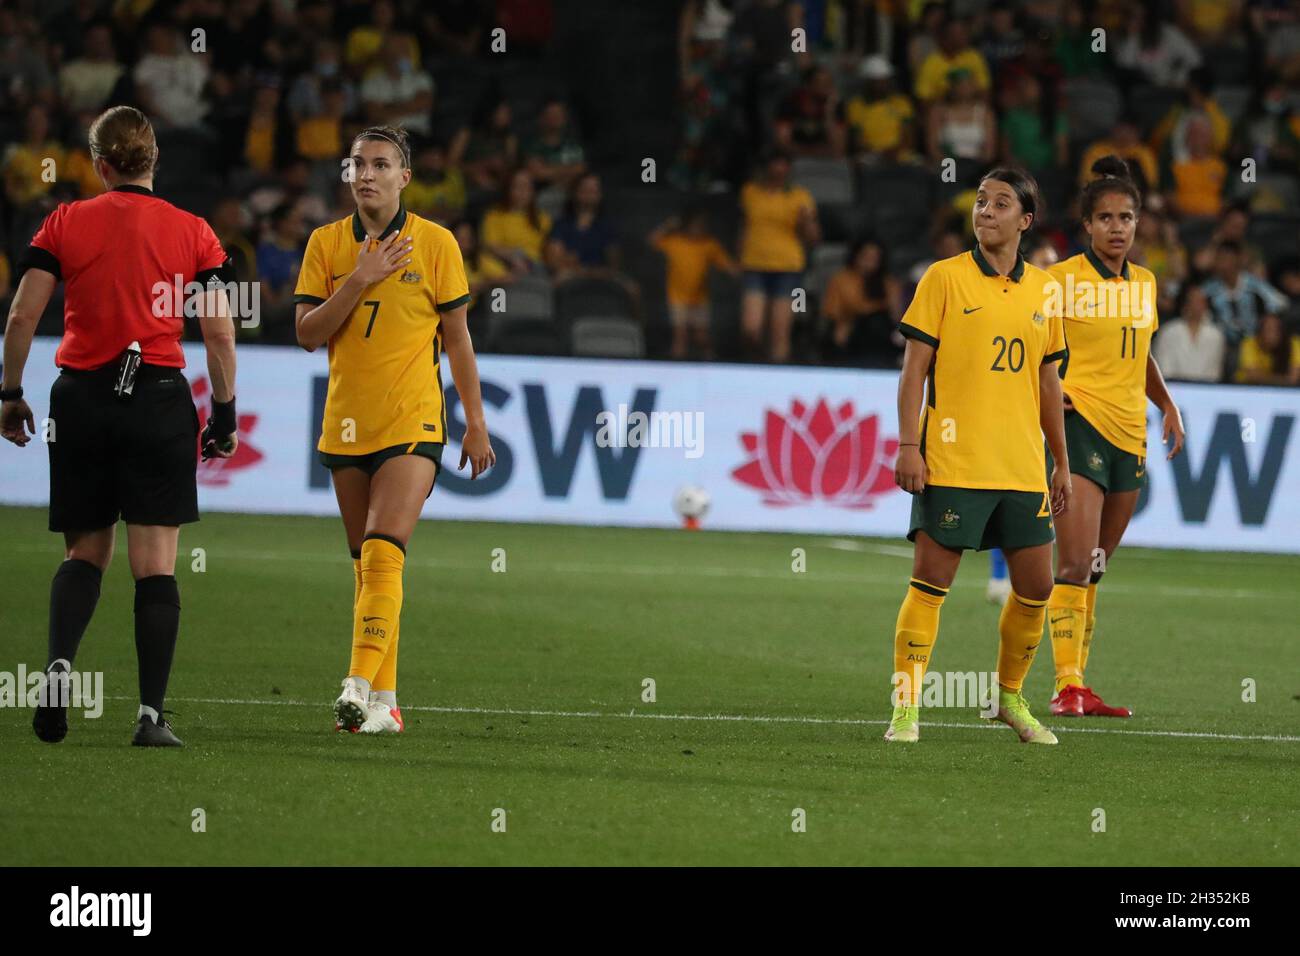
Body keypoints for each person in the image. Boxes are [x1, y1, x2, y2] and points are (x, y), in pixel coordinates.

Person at [0, 106, 238, 747]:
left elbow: (22, 317)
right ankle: (151, 717)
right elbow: (218, 331)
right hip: (159, 399)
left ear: (100, 165)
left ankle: (56, 674)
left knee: (85, 554)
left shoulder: (64, 221)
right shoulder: (195, 233)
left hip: (79, 399)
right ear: (154, 160)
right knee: (154, 566)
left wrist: (11, 393)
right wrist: (223, 414)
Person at [293, 126, 495, 734]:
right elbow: (306, 334)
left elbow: (457, 339)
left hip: (413, 419)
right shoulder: (326, 245)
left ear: (404, 178)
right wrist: (360, 277)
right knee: (367, 566)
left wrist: (475, 424)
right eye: (357, 164)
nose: (366, 174)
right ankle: (386, 705)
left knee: (384, 550)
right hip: (346, 425)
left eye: (381, 164)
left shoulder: (436, 244)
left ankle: (355, 683)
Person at [887, 167, 1070, 745]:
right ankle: (906, 708)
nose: (985, 212)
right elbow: (914, 369)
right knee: (931, 583)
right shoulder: (943, 279)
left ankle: (1009, 699)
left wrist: (1060, 462)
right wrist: (909, 446)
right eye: (981, 203)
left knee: (1037, 588)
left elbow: (1048, 386)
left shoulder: (1045, 291)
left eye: (999, 204)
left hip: (1021, 464)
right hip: (954, 458)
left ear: (1026, 220)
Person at [1044, 157, 1186, 719]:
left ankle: (1080, 682)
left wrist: (1167, 403)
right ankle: (1066, 684)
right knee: (1075, 561)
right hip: (1080, 429)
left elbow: (1140, 353)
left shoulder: (1145, 284)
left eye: (1126, 217)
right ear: (1086, 226)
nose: (1117, 227)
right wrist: (1052, 394)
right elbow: (1034, 349)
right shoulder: (1059, 283)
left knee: (1097, 565)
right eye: (1105, 218)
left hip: (1131, 434)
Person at [738, 149, 819, 362]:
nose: (779, 169)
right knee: (750, 328)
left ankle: (775, 374)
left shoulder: (800, 196)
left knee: (779, 331)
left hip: (788, 268)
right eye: (775, 163)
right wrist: (739, 257)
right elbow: (744, 227)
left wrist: (805, 222)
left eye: (784, 164)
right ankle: (754, 365)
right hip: (754, 265)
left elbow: (813, 239)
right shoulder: (750, 192)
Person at [648, 205, 737, 360]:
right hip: (677, 297)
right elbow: (651, 241)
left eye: (702, 224)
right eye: (695, 224)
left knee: (701, 337)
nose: (698, 228)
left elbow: (728, 266)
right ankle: (675, 370)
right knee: (680, 336)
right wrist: (668, 225)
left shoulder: (709, 245)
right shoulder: (674, 242)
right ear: (686, 224)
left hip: (699, 298)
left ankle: (711, 364)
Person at [820, 237, 901, 367]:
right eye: (866, 256)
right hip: (851, 330)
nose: (870, 261)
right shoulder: (841, 280)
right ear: (856, 256)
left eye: (875, 257)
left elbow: (896, 316)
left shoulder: (888, 283)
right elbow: (832, 313)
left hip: (881, 334)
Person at [480, 168, 551, 273]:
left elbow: (547, 251)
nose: (522, 192)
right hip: (504, 263)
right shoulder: (494, 216)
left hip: (535, 266)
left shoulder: (543, 218)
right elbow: (491, 246)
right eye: (518, 186)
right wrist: (513, 257)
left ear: (533, 192)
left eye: (527, 187)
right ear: (508, 189)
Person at [1153, 283, 1226, 382]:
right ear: (1185, 304)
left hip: (1207, 390)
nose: (1197, 306)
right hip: (1174, 388)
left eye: (1201, 302)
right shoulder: (1168, 332)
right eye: (1193, 301)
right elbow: (1164, 369)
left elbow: (1213, 371)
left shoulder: (1216, 335)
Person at [1235, 309, 1300, 386]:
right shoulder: (1249, 343)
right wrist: (1283, 379)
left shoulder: (1293, 343)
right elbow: (1252, 376)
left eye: (1276, 330)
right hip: (1248, 389)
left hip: (1283, 391)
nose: (1272, 335)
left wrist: (1265, 378)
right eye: (1268, 329)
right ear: (1260, 332)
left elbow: (1293, 378)